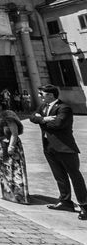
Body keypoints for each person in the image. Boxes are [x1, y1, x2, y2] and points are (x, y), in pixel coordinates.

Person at [30, 84, 87, 220]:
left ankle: (84, 205)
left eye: (42, 94)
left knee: (75, 176)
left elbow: (58, 124)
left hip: (64, 148)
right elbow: (32, 117)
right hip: (49, 147)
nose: (39, 96)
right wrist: (43, 119)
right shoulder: (43, 107)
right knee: (59, 175)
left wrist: (41, 121)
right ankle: (65, 201)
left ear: (50, 95)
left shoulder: (64, 108)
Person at [0, 98, 29, 204]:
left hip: (11, 145)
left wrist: (11, 146)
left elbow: (14, 134)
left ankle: (19, 195)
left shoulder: (8, 116)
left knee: (15, 170)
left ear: (0, 106)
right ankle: (8, 193)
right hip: (1, 146)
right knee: (4, 170)